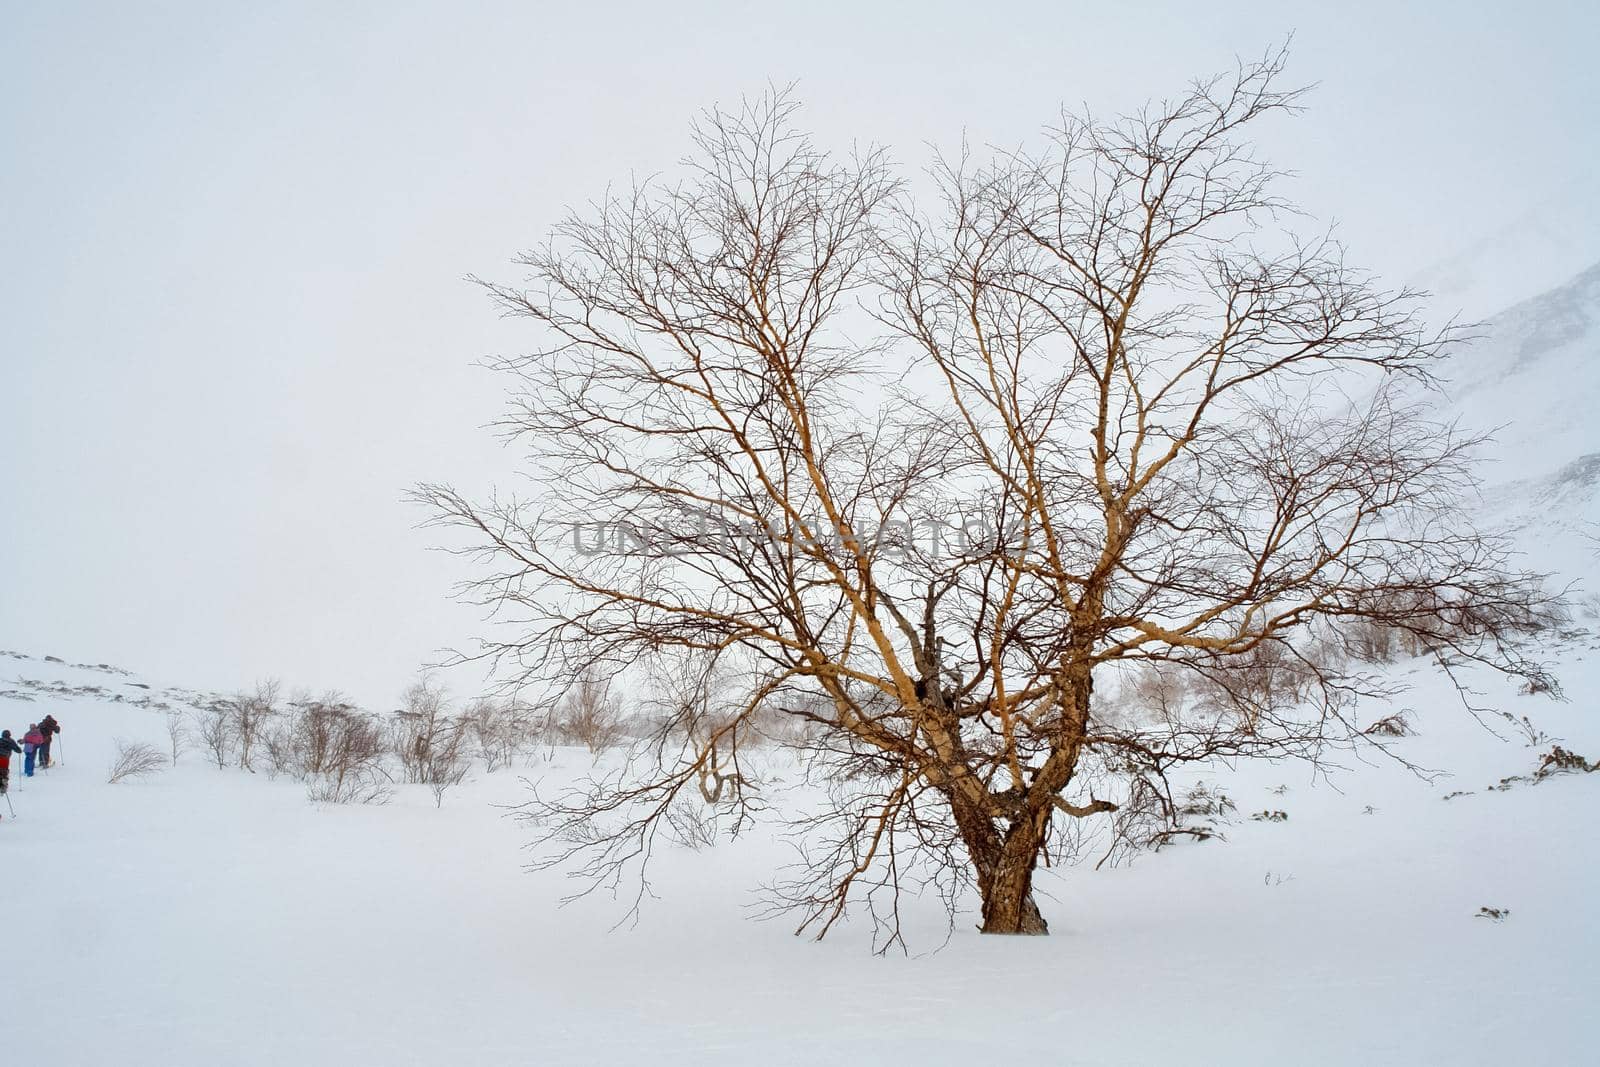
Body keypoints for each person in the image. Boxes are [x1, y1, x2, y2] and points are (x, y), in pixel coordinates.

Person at [0, 729, 20, 794]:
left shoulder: (0, 740)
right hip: (5, 758)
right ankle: (3, 786)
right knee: (4, 771)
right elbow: (17, 750)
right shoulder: (11, 741)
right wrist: (19, 750)